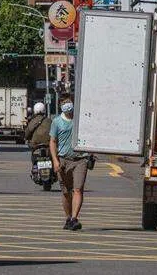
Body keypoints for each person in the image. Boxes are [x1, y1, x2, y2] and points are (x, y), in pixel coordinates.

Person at [50, 93, 89, 231]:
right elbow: (53, 141)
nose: (66, 105)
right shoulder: (56, 122)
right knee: (66, 192)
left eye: (68, 101)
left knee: (77, 189)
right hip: (63, 160)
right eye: (63, 103)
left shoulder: (80, 119)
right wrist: (55, 161)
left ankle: (74, 218)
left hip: (80, 160)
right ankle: (68, 218)